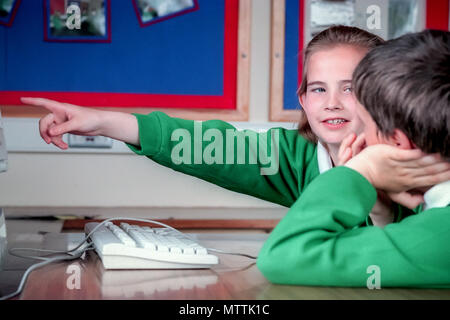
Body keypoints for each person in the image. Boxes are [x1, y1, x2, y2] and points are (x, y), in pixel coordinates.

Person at [22, 26, 447, 222]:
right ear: (302, 99)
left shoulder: (421, 164)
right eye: (318, 89)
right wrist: (101, 122)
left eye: (350, 88)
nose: (331, 103)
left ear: (382, 94)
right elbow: (200, 142)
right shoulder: (295, 157)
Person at [257, 29, 450, 288]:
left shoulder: (439, 237)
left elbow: (284, 257)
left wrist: (361, 171)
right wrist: (382, 212)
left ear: (397, 141)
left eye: (366, 125)